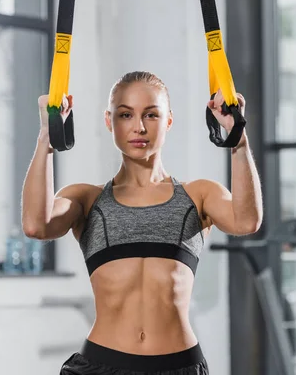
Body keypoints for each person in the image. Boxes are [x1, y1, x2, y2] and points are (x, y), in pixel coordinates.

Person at [21, 71, 263, 375]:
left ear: (169, 121)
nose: (138, 127)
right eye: (125, 115)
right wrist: (47, 135)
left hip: (179, 366)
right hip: (102, 365)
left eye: (151, 115)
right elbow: (36, 225)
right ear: (109, 121)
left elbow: (247, 220)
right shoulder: (86, 198)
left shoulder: (198, 195)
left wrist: (238, 140)